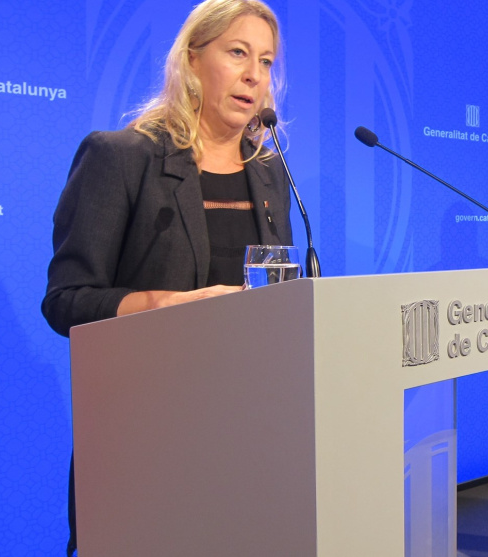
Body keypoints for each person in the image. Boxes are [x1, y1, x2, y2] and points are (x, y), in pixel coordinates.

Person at [40, 1, 293, 554]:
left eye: (266, 61)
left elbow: (274, 297)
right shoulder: (121, 157)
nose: (255, 75)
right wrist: (166, 305)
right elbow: (66, 300)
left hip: (249, 435)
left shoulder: (269, 172)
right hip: (146, 439)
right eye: (238, 53)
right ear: (192, 59)